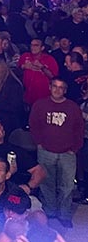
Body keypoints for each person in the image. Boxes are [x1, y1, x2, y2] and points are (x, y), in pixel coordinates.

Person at [29, 78, 84, 227]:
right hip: (46, 151)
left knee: (67, 185)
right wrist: (39, 143)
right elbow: (33, 125)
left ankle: (64, 214)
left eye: (61, 87)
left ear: (65, 90)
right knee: (46, 183)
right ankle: (49, 212)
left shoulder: (72, 107)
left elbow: (80, 128)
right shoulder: (40, 105)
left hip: (68, 153)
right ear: (50, 87)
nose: (57, 90)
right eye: (55, 86)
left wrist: (75, 148)